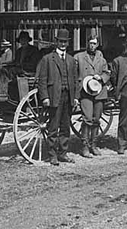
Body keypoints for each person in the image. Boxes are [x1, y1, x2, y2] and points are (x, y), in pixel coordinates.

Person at [37, 29, 79, 166]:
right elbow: (42, 80)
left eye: (65, 42)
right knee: (53, 127)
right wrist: (45, 97)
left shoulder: (72, 60)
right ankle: (52, 155)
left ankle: (63, 153)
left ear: (68, 43)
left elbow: (75, 80)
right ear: (56, 42)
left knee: (66, 127)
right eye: (60, 41)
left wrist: (76, 97)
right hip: (54, 96)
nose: (62, 44)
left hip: (68, 96)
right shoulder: (48, 59)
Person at [74, 35, 110, 158]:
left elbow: (107, 73)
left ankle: (93, 145)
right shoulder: (79, 57)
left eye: (94, 43)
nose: (92, 46)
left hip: (99, 91)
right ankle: (84, 146)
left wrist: (101, 78)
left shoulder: (102, 59)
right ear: (87, 44)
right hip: (85, 92)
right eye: (90, 43)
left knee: (96, 119)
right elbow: (74, 73)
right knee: (87, 118)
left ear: (97, 44)